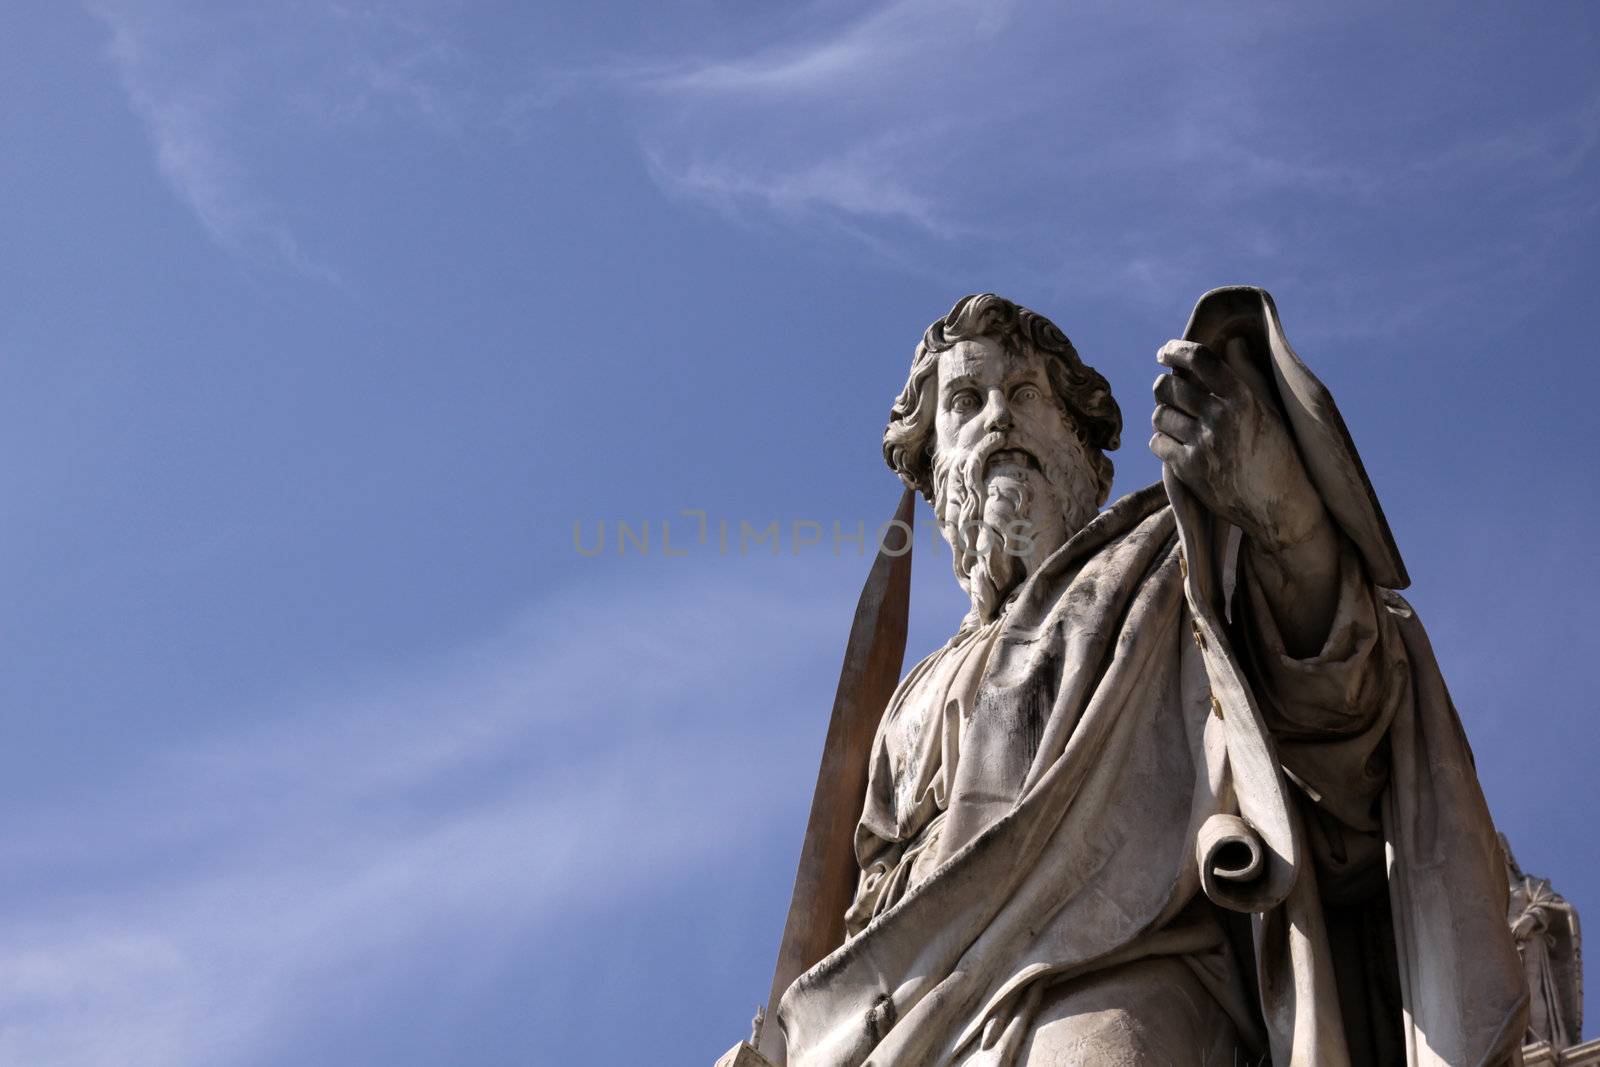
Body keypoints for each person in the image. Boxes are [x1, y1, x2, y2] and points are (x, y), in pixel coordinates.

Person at [774, 289, 1527, 1066]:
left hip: (1112, 971)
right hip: (913, 1017)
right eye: (966, 401)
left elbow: (1340, 699)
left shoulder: (1166, 566)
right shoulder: (910, 698)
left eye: (1024, 393)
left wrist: (1283, 519)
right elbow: (870, 902)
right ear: (936, 468)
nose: (998, 416)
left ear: (1080, 446)